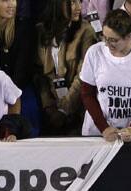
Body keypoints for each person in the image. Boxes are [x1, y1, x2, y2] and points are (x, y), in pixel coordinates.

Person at [80, 9, 131, 141]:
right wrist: (103, 127)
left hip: (130, 134)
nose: (107, 44)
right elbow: (87, 94)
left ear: (128, 36)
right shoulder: (94, 53)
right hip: (97, 133)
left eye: (113, 40)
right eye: (105, 37)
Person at [34, 0, 96, 134]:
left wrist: (64, 109)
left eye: (80, 2)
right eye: (73, 2)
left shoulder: (86, 31)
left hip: (77, 107)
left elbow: (83, 75)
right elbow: (40, 76)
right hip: (49, 108)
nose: (79, 8)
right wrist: (49, 107)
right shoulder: (40, 31)